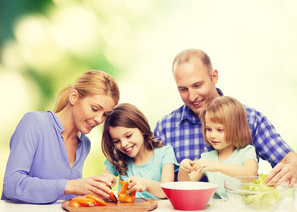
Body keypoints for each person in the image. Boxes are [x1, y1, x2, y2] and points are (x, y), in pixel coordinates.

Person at [154, 48, 297, 187]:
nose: (192, 96)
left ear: (214, 76)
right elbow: (153, 180)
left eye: (197, 85)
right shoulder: (165, 127)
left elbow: (288, 159)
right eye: (183, 89)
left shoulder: (251, 119)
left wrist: (293, 168)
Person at [2, 70, 120, 204]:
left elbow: (63, 198)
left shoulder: (84, 144)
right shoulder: (35, 123)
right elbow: (12, 184)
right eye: (94, 109)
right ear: (74, 97)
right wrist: (70, 185)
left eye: (106, 114)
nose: (99, 119)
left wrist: (96, 189)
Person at [178, 96, 258, 199]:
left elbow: (250, 174)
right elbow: (187, 185)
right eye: (209, 129)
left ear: (236, 129)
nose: (212, 135)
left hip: (243, 209)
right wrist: (183, 170)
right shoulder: (207, 158)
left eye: (220, 130)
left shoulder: (246, 151)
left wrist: (218, 166)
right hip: (217, 210)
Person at [101, 103, 179, 200]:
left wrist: (145, 184)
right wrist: (106, 184)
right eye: (117, 141)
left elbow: (167, 191)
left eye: (128, 136)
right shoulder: (117, 158)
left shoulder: (165, 153)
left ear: (142, 129)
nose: (124, 144)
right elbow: (99, 188)